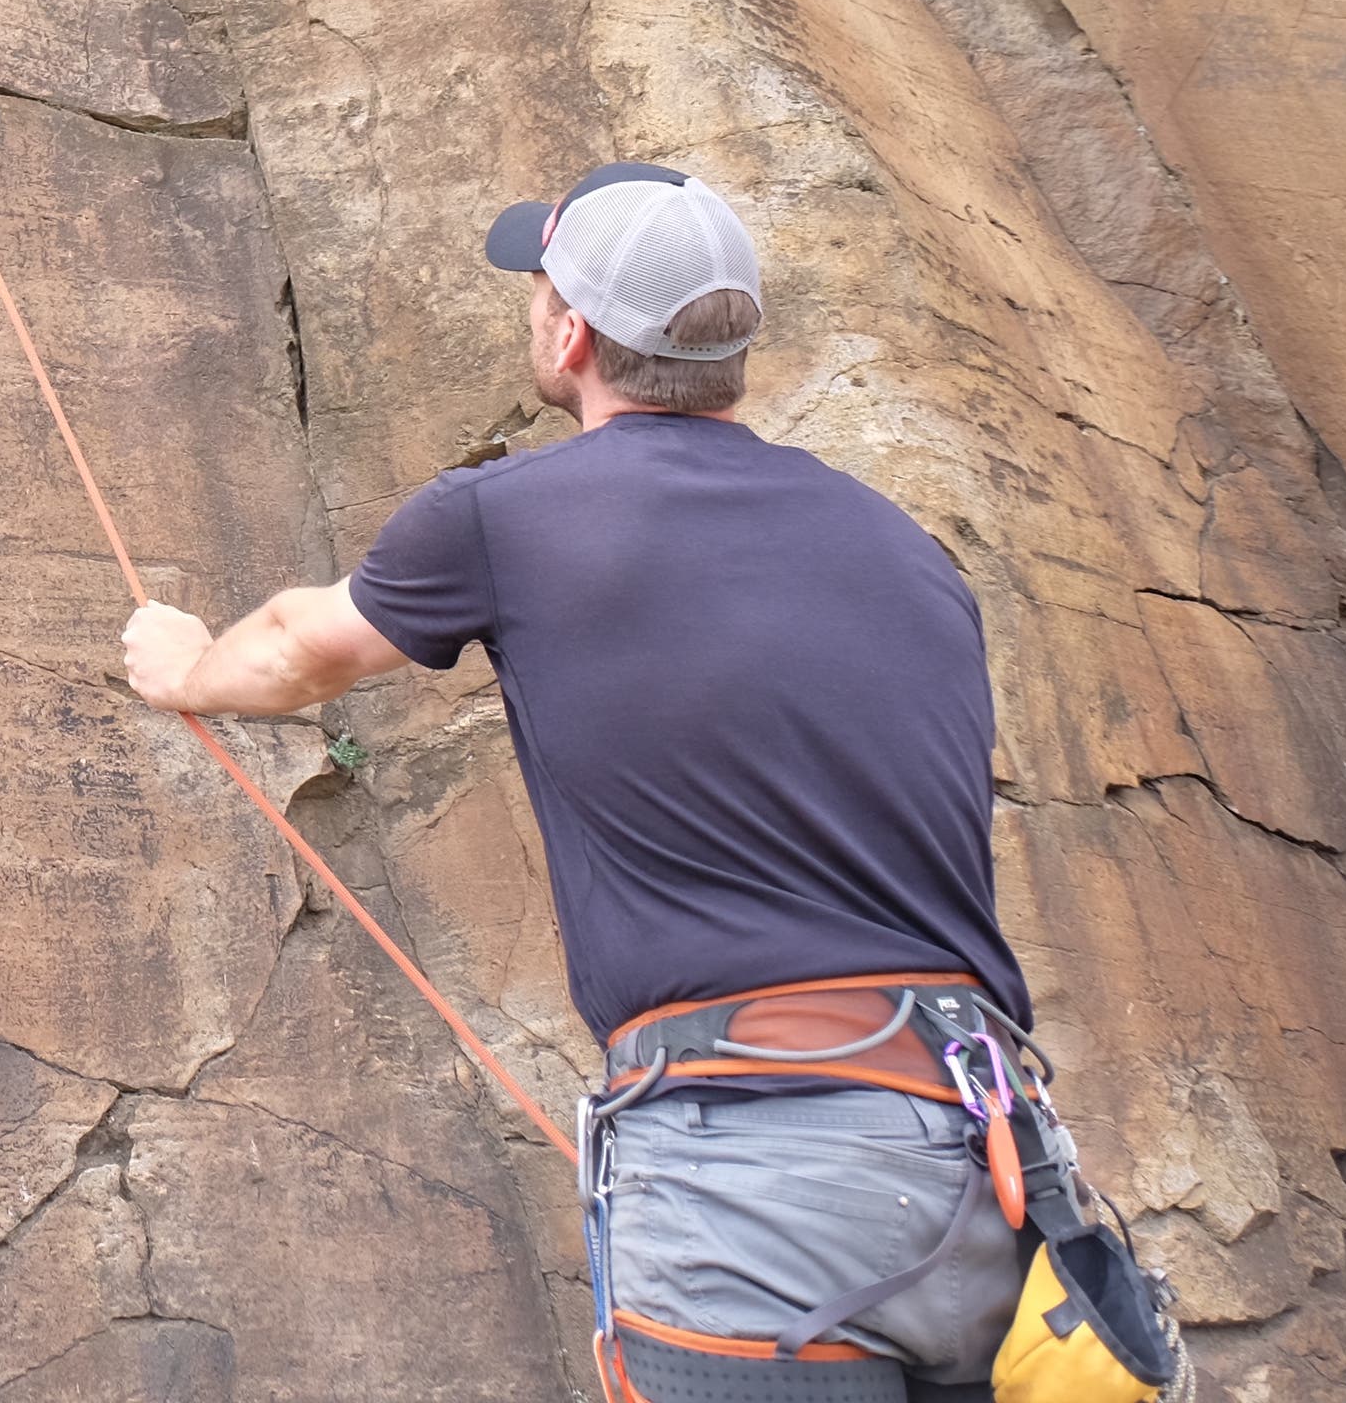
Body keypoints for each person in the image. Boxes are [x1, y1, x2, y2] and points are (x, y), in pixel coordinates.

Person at [120, 165, 1058, 1401]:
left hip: (756, 1169)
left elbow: (302, 650)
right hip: (988, 1163)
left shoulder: (512, 515)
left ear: (569, 333)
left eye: (542, 290)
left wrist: (185, 668)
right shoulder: (906, 546)